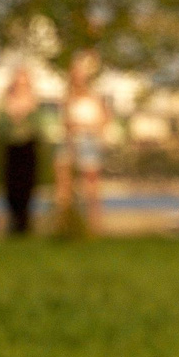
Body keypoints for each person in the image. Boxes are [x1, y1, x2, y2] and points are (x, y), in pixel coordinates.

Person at [55, 50, 107, 237]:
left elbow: (102, 122)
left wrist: (87, 127)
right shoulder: (67, 97)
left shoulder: (96, 98)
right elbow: (66, 122)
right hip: (71, 141)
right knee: (64, 188)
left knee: (91, 189)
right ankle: (65, 226)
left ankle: (94, 228)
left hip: (89, 142)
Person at [0, 64, 43, 236]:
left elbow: (38, 128)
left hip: (28, 148)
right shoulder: (5, 103)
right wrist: (12, 117)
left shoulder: (34, 103)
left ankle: (25, 223)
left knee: (27, 185)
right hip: (11, 148)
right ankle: (14, 221)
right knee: (11, 186)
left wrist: (25, 116)